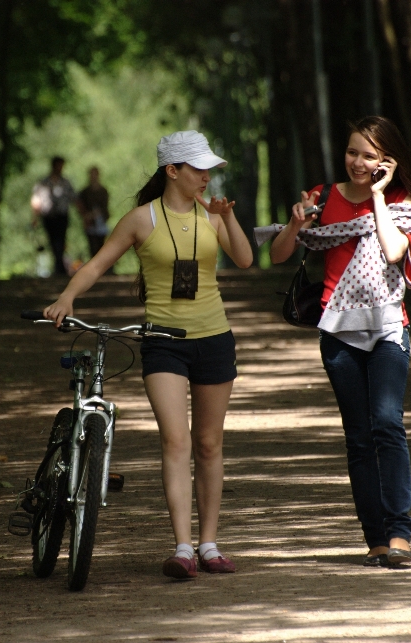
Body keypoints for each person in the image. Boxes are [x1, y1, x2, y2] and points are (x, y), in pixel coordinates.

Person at [44, 130, 254, 579]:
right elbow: (98, 263)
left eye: (209, 169)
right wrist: (67, 298)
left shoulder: (212, 213)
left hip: (214, 337)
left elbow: (244, 260)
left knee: (209, 443)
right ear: (172, 171)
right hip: (163, 342)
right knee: (176, 440)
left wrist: (227, 218)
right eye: (198, 169)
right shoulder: (141, 219)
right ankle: (182, 547)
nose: (206, 177)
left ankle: (209, 544)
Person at [268, 116, 411, 568]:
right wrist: (295, 224)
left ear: (386, 160)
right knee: (357, 438)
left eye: (368, 155)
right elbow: (277, 255)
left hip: (390, 326)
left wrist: (376, 196)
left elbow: (394, 251)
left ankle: (400, 535)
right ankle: (375, 539)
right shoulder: (323, 196)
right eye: (353, 152)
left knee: (387, 423)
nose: (358, 162)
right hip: (338, 331)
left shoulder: (398, 199)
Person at [31, 156, 77, 275]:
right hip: (49, 217)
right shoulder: (43, 183)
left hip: (62, 216)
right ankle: (58, 265)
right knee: (53, 241)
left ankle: (59, 266)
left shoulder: (65, 183)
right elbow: (36, 201)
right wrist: (35, 217)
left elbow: (74, 199)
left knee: (61, 240)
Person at [78, 166, 111, 259]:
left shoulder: (103, 191)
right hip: (90, 223)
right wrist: (86, 216)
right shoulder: (85, 192)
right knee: (92, 246)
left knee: (102, 246)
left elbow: (105, 207)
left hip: (101, 222)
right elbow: (81, 207)